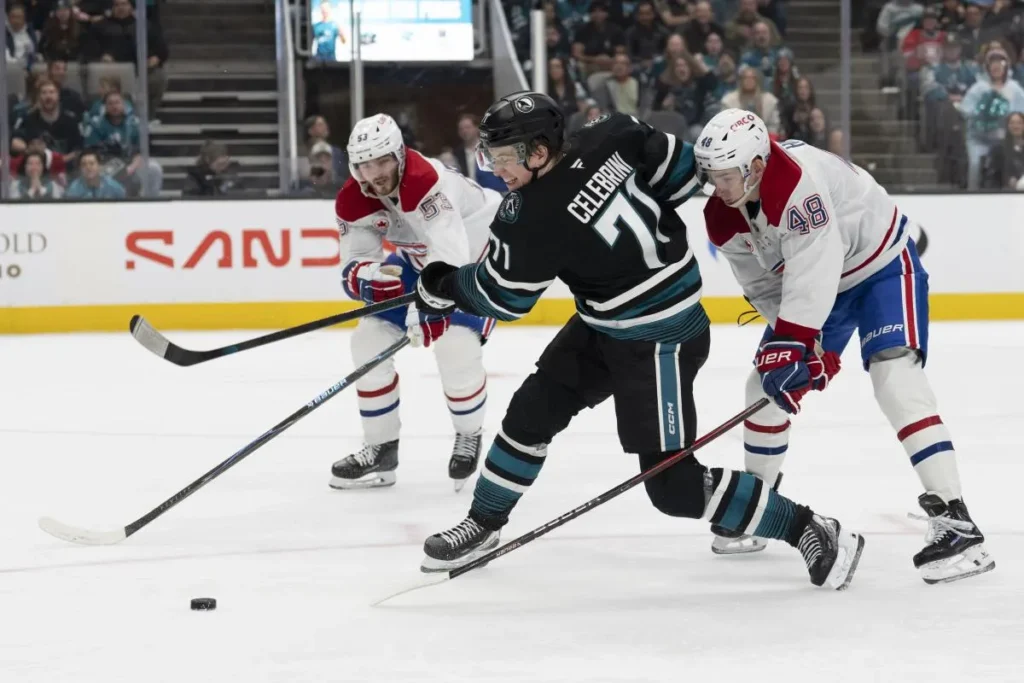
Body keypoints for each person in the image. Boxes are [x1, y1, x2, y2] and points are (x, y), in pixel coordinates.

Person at [410, 91, 865, 592]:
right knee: (530, 413)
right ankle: (484, 523)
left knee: (674, 487)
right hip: (606, 324)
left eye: (502, 159)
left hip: (661, 341)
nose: (496, 171)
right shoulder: (615, 134)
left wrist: (441, 286)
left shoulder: (529, 215)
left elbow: (503, 298)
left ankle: (811, 527)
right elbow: (688, 175)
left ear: (538, 151)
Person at [694, 108, 993, 585]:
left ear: (753, 166)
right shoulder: (720, 215)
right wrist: (795, 349)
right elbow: (767, 287)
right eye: (710, 176)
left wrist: (798, 345)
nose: (717, 187)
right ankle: (759, 507)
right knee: (762, 390)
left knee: (895, 376)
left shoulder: (795, 184)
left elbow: (816, 268)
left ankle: (958, 522)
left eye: (725, 176)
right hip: (822, 284)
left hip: (881, 267)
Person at [331, 113, 503, 492]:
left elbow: (451, 260)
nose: (372, 173)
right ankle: (380, 448)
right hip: (418, 260)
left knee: (455, 348)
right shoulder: (353, 197)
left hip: (476, 263)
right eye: (362, 164)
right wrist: (366, 278)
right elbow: (356, 260)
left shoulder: (428, 183)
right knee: (368, 339)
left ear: (399, 155)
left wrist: (428, 309)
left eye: (381, 161)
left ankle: (468, 434)